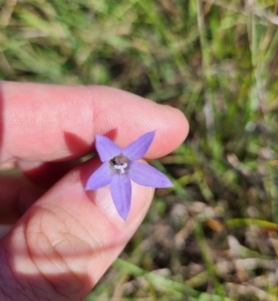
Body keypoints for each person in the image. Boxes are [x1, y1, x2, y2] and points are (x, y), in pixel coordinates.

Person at [0, 81, 189, 300]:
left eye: (120, 161)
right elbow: (102, 158)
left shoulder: (126, 159)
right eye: (117, 160)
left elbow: (139, 163)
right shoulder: (108, 154)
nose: (120, 163)